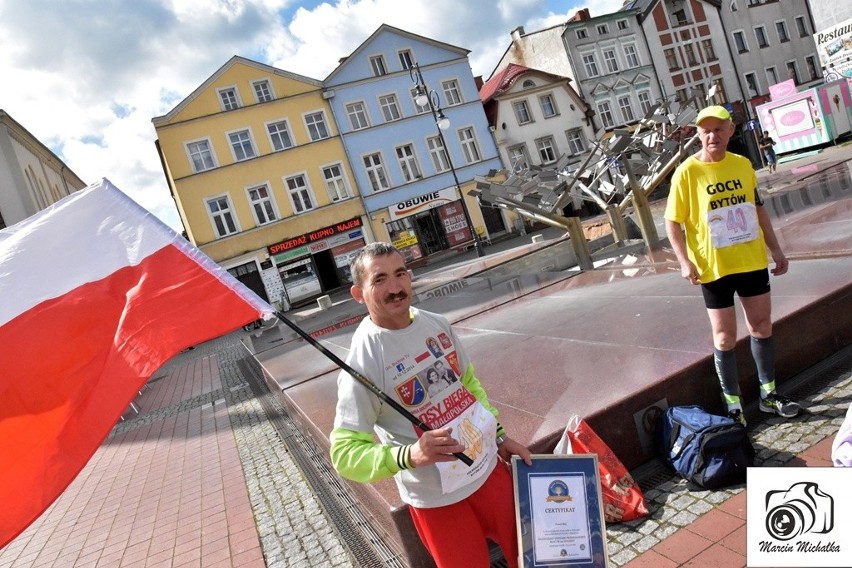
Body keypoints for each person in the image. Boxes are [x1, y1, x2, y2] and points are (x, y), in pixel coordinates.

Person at [330, 242, 532, 568]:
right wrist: (410, 455)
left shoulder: (436, 324)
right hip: (436, 500)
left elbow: (468, 386)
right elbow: (345, 455)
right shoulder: (362, 365)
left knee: (532, 556)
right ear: (359, 293)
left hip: (487, 469)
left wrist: (498, 436)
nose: (395, 288)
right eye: (379, 280)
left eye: (399, 274)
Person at [665, 106, 800, 427]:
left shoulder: (742, 165)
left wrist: (776, 249)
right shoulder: (687, 172)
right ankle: (734, 406)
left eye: (718, 129)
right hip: (714, 268)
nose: (712, 135)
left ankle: (769, 395)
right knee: (724, 337)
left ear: (730, 131)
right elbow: (672, 222)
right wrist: (684, 262)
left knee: (761, 326)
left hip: (750, 260)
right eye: (705, 130)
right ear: (698, 134)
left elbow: (758, 209)